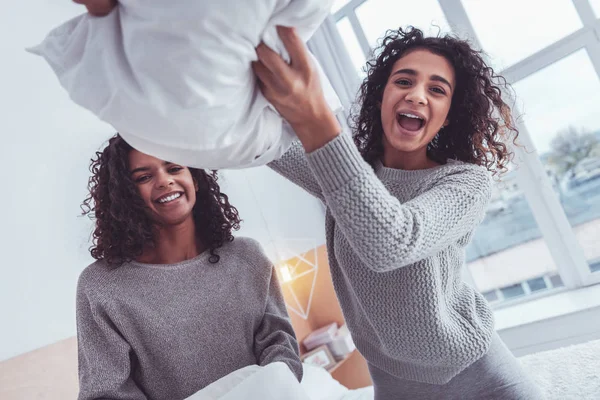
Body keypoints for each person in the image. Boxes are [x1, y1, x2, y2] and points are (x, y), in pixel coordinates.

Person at [253, 26, 544, 399]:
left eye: (437, 89)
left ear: (449, 115)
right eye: (403, 80)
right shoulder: (349, 175)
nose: (417, 95)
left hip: (477, 375)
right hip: (393, 382)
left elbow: (392, 243)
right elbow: (260, 144)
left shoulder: (465, 182)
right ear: (381, 96)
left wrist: (315, 118)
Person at [76, 134, 302, 400]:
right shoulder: (102, 287)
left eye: (174, 168)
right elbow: (107, 393)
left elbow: (280, 346)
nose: (164, 180)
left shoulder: (247, 258)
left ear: (194, 177)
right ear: (126, 195)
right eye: (143, 177)